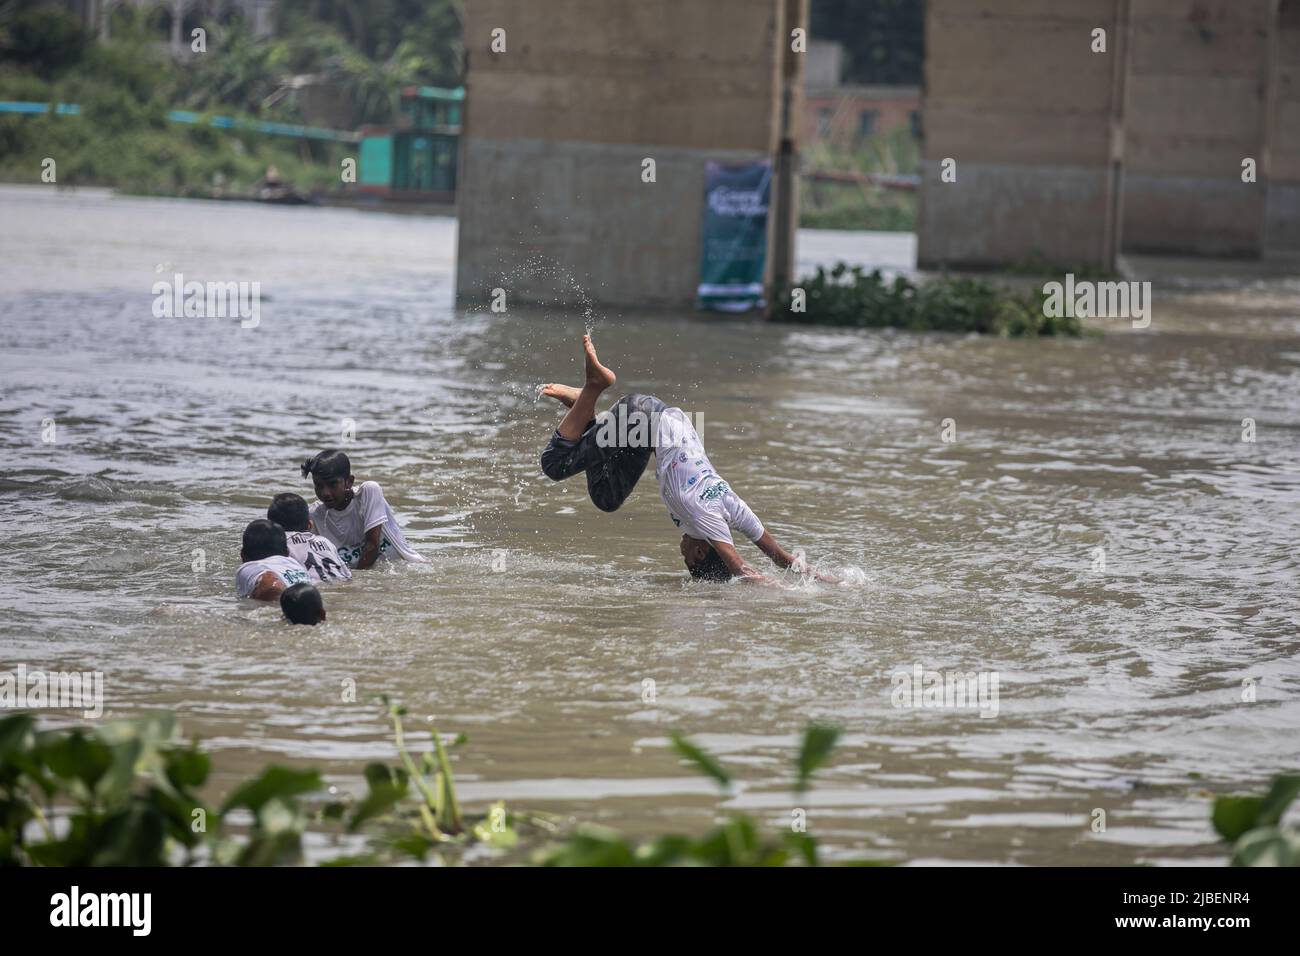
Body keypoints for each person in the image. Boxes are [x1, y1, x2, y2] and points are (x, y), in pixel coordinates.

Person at [539, 334, 834, 584]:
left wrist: (835, 583)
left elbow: (783, 559)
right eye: (686, 557)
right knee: (553, 464)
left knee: (607, 498)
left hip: (647, 426)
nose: (681, 550)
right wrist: (788, 598)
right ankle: (593, 386)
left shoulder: (734, 508)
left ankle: (584, 407)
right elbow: (742, 569)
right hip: (638, 420)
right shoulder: (698, 513)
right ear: (700, 553)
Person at [300, 450, 426, 569]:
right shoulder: (314, 515)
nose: (325, 493)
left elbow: (372, 546)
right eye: (319, 485)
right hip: (368, 579)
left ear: (349, 482)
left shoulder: (368, 492)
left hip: (407, 568)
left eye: (333, 484)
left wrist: (355, 585)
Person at [267, 492, 352, 583]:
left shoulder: (279, 545)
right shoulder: (326, 541)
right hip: (340, 582)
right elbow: (348, 575)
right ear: (310, 525)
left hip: (311, 589)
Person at [235, 519, 311, 601]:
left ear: (243, 556)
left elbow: (272, 587)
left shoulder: (251, 567)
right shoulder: (296, 566)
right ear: (287, 552)